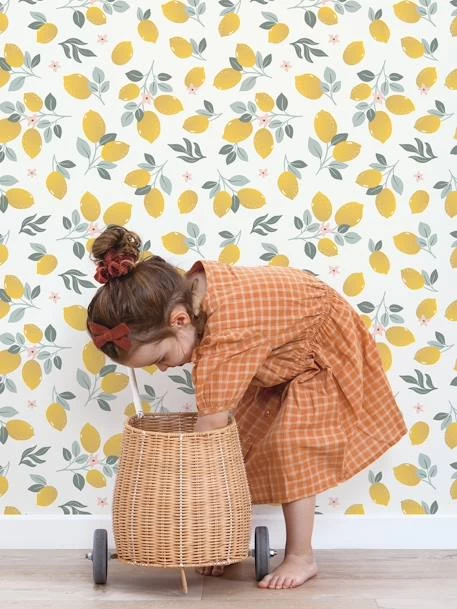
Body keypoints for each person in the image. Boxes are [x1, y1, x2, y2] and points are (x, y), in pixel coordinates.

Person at [86, 224, 408, 590]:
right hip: (279, 350)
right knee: (241, 441)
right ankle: (223, 541)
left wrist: (181, 481)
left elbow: (209, 430)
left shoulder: (228, 334)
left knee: (292, 446)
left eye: (160, 357)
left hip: (318, 350)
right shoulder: (185, 298)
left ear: (179, 320)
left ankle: (301, 555)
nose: (162, 369)